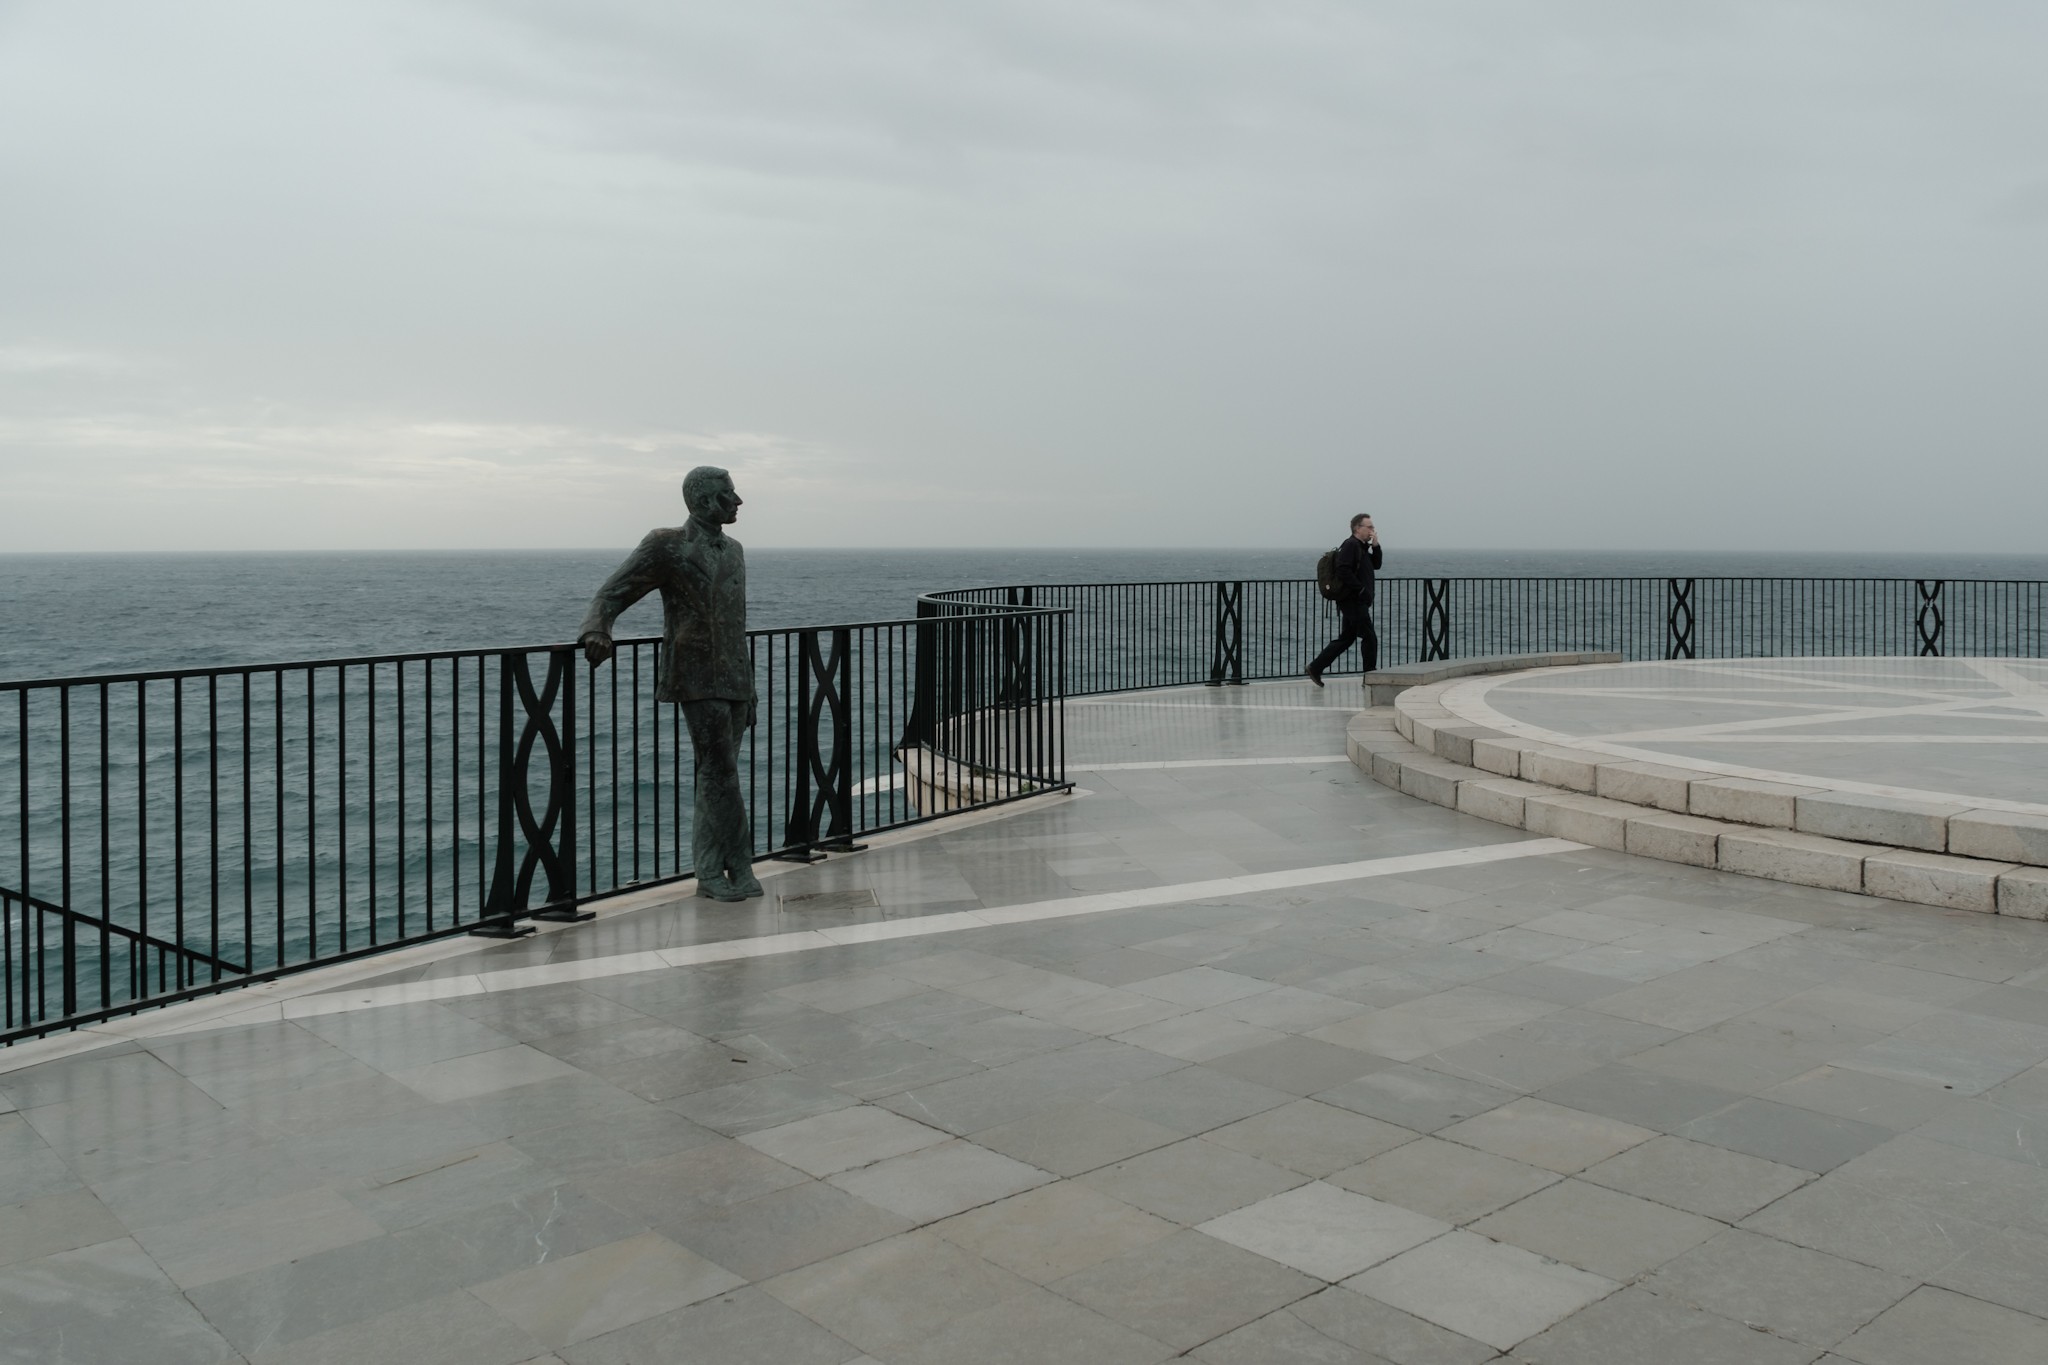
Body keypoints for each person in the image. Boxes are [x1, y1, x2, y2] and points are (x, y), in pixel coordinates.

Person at [577, 466, 762, 901]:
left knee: (717, 775)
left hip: (735, 677)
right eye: (728, 494)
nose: (738, 501)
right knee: (720, 773)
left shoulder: (734, 549)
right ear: (701, 502)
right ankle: (731, 866)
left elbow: (737, 623)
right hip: (696, 676)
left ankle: (714, 868)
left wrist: (750, 687)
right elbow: (611, 593)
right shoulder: (666, 544)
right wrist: (597, 629)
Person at [1307, 513, 1383, 686]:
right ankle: (1370, 678)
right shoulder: (1350, 545)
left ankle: (1315, 667)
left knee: (1347, 638)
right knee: (1369, 638)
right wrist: (1361, 589)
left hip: (1357, 600)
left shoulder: (1361, 547)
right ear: (1358, 528)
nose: (1372, 530)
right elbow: (1343, 570)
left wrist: (1376, 546)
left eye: (1372, 527)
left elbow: (1376, 565)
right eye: (1369, 527)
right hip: (1353, 600)